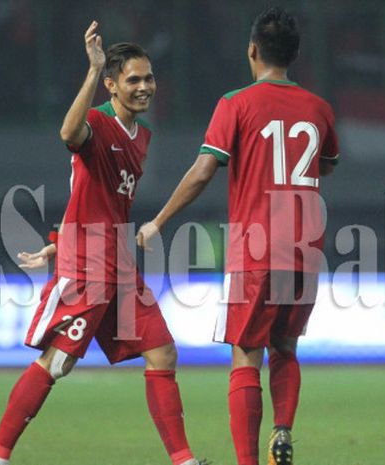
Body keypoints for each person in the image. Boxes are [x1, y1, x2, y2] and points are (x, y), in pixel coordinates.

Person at [0, 21, 203, 465]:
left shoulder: (143, 138)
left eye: (149, 78)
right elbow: (68, 134)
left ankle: (184, 461)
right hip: (86, 265)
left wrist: (57, 237)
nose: (144, 87)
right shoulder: (98, 122)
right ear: (112, 85)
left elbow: (87, 191)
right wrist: (92, 67)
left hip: (116, 261)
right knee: (58, 363)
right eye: (133, 79)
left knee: (162, 351)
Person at [137, 7, 339, 465]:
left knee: (247, 355)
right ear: (295, 54)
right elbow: (326, 162)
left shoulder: (236, 103)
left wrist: (161, 219)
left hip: (257, 248)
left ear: (252, 50)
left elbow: (204, 169)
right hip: (306, 248)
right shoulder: (318, 108)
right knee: (286, 347)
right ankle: (283, 432)